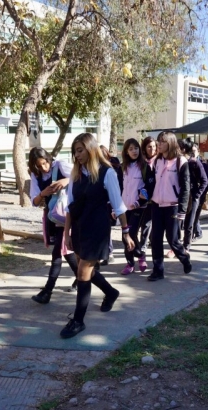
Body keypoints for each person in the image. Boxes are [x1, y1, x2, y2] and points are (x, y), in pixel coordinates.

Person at [61, 133, 134, 339]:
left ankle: (78, 321)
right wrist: (67, 233)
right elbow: (69, 207)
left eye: (80, 150)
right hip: (80, 228)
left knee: (83, 272)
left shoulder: (106, 172)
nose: (77, 155)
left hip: (98, 230)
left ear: (90, 149)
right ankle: (111, 292)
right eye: (75, 151)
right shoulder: (76, 175)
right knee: (86, 271)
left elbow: (119, 206)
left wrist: (126, 233)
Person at [28, 147, 78, 303]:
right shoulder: (36, 176)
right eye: (39, 165)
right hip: (53, 217)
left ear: (49, 159)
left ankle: (47, 292)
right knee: (66, 251)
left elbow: (80, 176)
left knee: (57, 253)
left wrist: (65, 180)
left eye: (45, 163)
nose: (44, 167)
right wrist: (43, 193)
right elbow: (34, 201)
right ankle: (85, 278)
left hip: (69, 216)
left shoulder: (60, 165)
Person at [147, 131, 192, 281]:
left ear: (171, 143)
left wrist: (182, 210)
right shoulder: (157, 161)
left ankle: (184, 258)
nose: (159, 144)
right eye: (158, 141)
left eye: (162, 142)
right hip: (156, 204)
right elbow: (152, 181)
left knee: (172, 239)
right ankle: (158, 271)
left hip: (172, 206)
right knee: (156, 238)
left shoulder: (181, 162)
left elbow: (186, 188)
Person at [118, 138, 148, 275]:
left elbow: (148, 187)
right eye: (130, 149)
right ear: (126, 152)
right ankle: (133, 261)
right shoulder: (122, 167)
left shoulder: (144, 166)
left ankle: (138, 256)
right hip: (124, 207)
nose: (134, 151)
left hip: (138, 207)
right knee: (125, 236)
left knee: (131, 234)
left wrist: (139, 202)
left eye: (136, 148)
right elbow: (118, 188)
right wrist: (115, 208)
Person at [179, 139, 207, 251]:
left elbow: (205, 181)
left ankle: (186, 246)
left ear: (184, 149)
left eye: (178, 147)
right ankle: (176, 245)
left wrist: (196, 195)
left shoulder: (194, 163)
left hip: (192, 197)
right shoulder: (177, 162)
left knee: (189, 223)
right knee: (177, 222)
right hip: (180, 196)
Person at [138, 137, 157, 262]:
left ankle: (143, 248)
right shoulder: (141, 163)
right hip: (141, 199)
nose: (152, 149)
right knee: (144, 224)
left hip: (156, 199)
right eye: (149, 146)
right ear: (144, 148)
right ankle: (143, 247)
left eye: (154, 146)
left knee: (147, 225)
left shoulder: (159, 161)